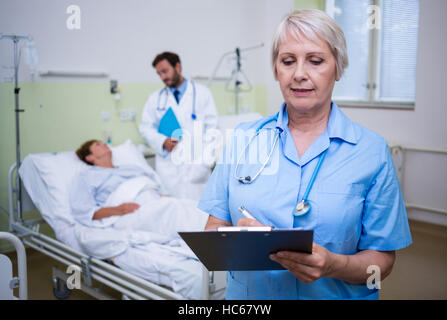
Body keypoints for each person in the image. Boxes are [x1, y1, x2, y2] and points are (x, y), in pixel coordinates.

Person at [198, 9, 412, 300]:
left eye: (315, 60)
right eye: (288, 61)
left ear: (338, 67)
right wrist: (236, 240)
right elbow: (213, 231)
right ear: (276, 69)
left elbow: (382, 263)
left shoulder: (372, 152)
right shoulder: (242, 140)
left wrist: (335, 265)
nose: (299, 74)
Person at [69, 140, 208, 238]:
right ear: (89, 157)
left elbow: (151, 185)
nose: (104, 144)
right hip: (129, 211)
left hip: (153, 200)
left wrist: (160, 195)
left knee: (191, 205)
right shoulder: (87, 176)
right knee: (172, 208)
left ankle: (220, 230)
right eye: (98, 144)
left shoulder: (131, 168)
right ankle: (213, 235)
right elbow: (83, 212)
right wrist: (118, 209)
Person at [139, 51, 219, 200]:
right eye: (159, 74)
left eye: (165, 71)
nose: (163, 77)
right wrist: (162, 141)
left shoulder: (202, 93)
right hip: (169, 170)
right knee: (173, 216)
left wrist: (205, 162)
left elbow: (213, 129)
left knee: (198, 217)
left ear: (178, 66)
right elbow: (145, 127)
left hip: (197, 166)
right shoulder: (155, 99)